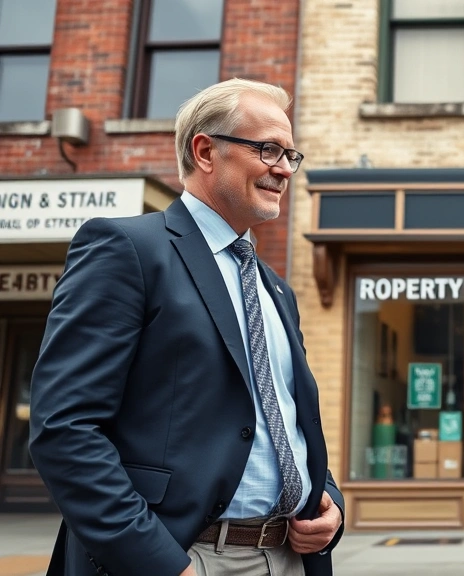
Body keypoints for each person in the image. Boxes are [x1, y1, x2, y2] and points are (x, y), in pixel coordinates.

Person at [29, 78, 344, 576]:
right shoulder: (127, 250)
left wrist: (327, 499)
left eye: (290, 155)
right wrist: (158, 563)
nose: (285, 168)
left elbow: (287, 419)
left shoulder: (276, 288)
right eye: (268, 149)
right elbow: (64, 428)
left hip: (288, 557)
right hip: (185, 556)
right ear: (205, 151)